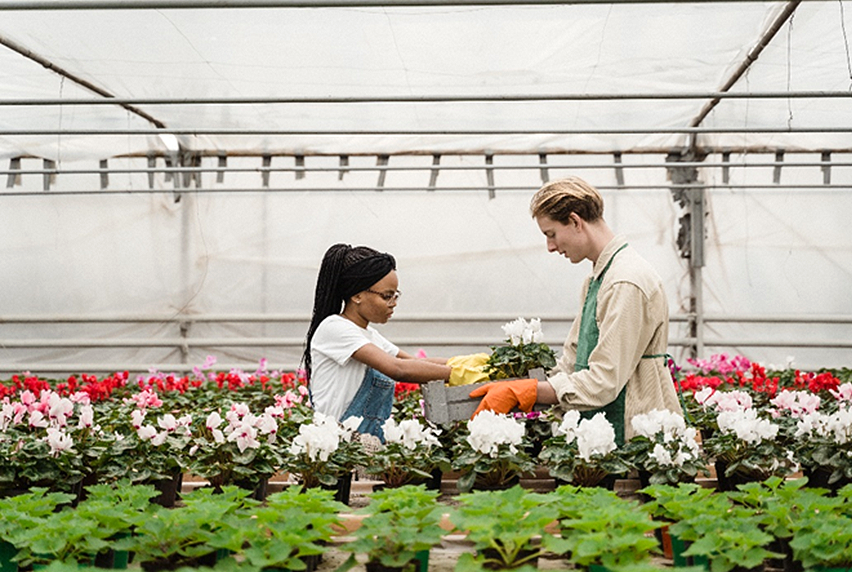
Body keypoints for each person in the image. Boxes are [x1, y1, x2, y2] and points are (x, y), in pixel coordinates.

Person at [470, 176, 682, 444]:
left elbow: (605, 380)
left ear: (574, 221)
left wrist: (530, 392)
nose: (550, 247)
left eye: (551, 234)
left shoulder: (626, 281)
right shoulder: (598, 278)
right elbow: (571, 362)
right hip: (599, 432)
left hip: (635, 436)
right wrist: (519, 384)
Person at [303, 243, 453, 440]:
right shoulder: (334, 328)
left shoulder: (369, 335)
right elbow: (398, 368)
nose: (394, 303)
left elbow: (413, 362)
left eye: (395, 295)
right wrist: (463, 373)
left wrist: (479, 365)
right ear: (357, 295)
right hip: (335, 451)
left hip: (366, 447)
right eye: (387, 296)